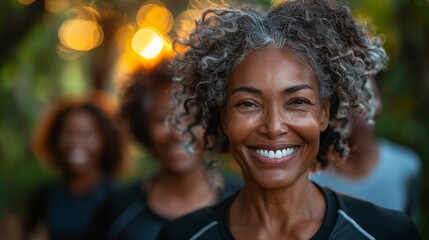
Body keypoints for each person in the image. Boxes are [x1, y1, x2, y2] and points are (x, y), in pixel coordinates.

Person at [157, 0, 421, 239]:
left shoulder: (386, 233)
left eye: (297, 102)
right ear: (224, 117)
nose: (273, 128)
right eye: (248, 104)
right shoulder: (181, 236)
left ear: (324, 113)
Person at [87, 62, 242, 240]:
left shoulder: (243, 203)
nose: (177, 132)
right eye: (162, 118)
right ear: (142, 125)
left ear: (214, 123)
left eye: (191, 117)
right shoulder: (117, 210)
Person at [310, 77, 421, 217]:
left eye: (369, 100)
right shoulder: (314, 175)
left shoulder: (405, 167)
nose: (363, 114)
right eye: (352, 103)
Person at [23, 91, 126, 240]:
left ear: (106, 141)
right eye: (68, 133)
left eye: (87, 134)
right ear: (55, 140)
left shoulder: (119, 199)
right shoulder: (45, 197)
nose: (76, 143)